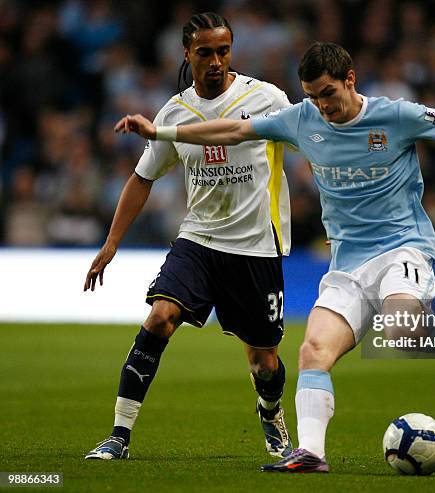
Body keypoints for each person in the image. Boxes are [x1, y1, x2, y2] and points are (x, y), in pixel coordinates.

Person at [114, 42, 435, 472]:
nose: (321, 106)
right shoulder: (301, 119)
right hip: (346, 265)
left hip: (401, 248)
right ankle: (310, 453)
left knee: (403, 331)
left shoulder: (395, 115)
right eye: (312, 96)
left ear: (350, 80)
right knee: (313, 351)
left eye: (328, 93)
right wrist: (162, 131)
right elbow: (233, 129)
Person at [84, 12, 294, 460]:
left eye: (223, 51)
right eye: (205, 52)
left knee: (264, 362)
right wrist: (111, 243)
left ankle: (270, 410)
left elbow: (310, 142)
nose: (216, 61)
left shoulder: (267, 98)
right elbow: (143, 178)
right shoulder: (175, 111)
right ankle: (118, 436)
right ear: (187, 54)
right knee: (160, 317)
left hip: (256, 246)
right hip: (198, 241)